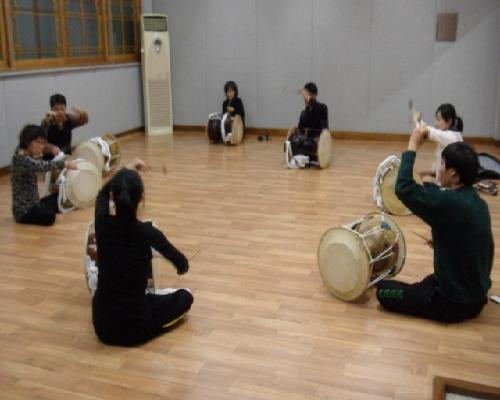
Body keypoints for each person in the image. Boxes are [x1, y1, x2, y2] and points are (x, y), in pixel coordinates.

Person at [376, 128, 494, 323]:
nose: (438, 168)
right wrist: (442, 241)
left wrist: (413, 144)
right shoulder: (478, 202)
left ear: (454, 174)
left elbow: (403, 188)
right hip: (475, 295)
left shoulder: (449, 202)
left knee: (384, 292)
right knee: (426, 283)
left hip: (454, 303)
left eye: (442, 164)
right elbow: (472, 242)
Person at [92, 159, 194, 346]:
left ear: (114, 197)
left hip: (102, 326)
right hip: (135, 329)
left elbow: (101, 193)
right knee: (185, 296)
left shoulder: (102, 224)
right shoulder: (148, 233)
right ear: (140, 199)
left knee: (141, 297)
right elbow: (182, 265)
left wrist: (124, 171)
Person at [11, 124, 77, 226]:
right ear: (27, 142)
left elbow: (35, 134)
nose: (41, 146)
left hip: (34, 203)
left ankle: (43, 207)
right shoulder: (21, 159)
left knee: (59, 197)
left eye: (42, 143)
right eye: (38, 142)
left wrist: (46, 122)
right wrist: (65, 164)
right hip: (23, 211)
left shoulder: (23, 152)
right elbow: (42, 166)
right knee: (50, 217)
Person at [414, 103, 463, 184]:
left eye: (439, 120)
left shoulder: (451, 138)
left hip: (447, 187)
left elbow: (427, 131)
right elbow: (437, 168)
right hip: (443, 183)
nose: (435, 123)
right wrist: (422, 173)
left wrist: (417, 120)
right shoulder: (448, 135)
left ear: (449, 121)